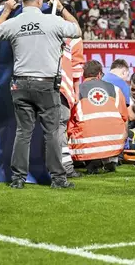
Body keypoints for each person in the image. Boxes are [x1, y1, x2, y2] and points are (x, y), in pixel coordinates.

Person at [0, 0, 81, 189]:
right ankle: (58, 179)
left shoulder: (14, 22)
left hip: (20, 85)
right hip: (46, 85)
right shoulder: (52, 21)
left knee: (23, 133)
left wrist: (5, 12)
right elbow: (76, 30)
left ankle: (18, 179)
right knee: (51, 133)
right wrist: (63, 8)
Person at [67, 60, 128, 174]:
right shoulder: (115, 90)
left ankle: (91, 162)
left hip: (86, 145)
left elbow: (69, 122)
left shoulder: (76, 92)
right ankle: (111, 160)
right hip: (114, 143)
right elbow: (124, 117)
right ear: (99, 74)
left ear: (83, 75)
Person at [57, 11, 85, 178]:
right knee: (59, 127)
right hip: (60, 88)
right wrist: (75, 93)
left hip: (29, 84)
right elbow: (75, 70)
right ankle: (65, 167)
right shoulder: (72, 36)